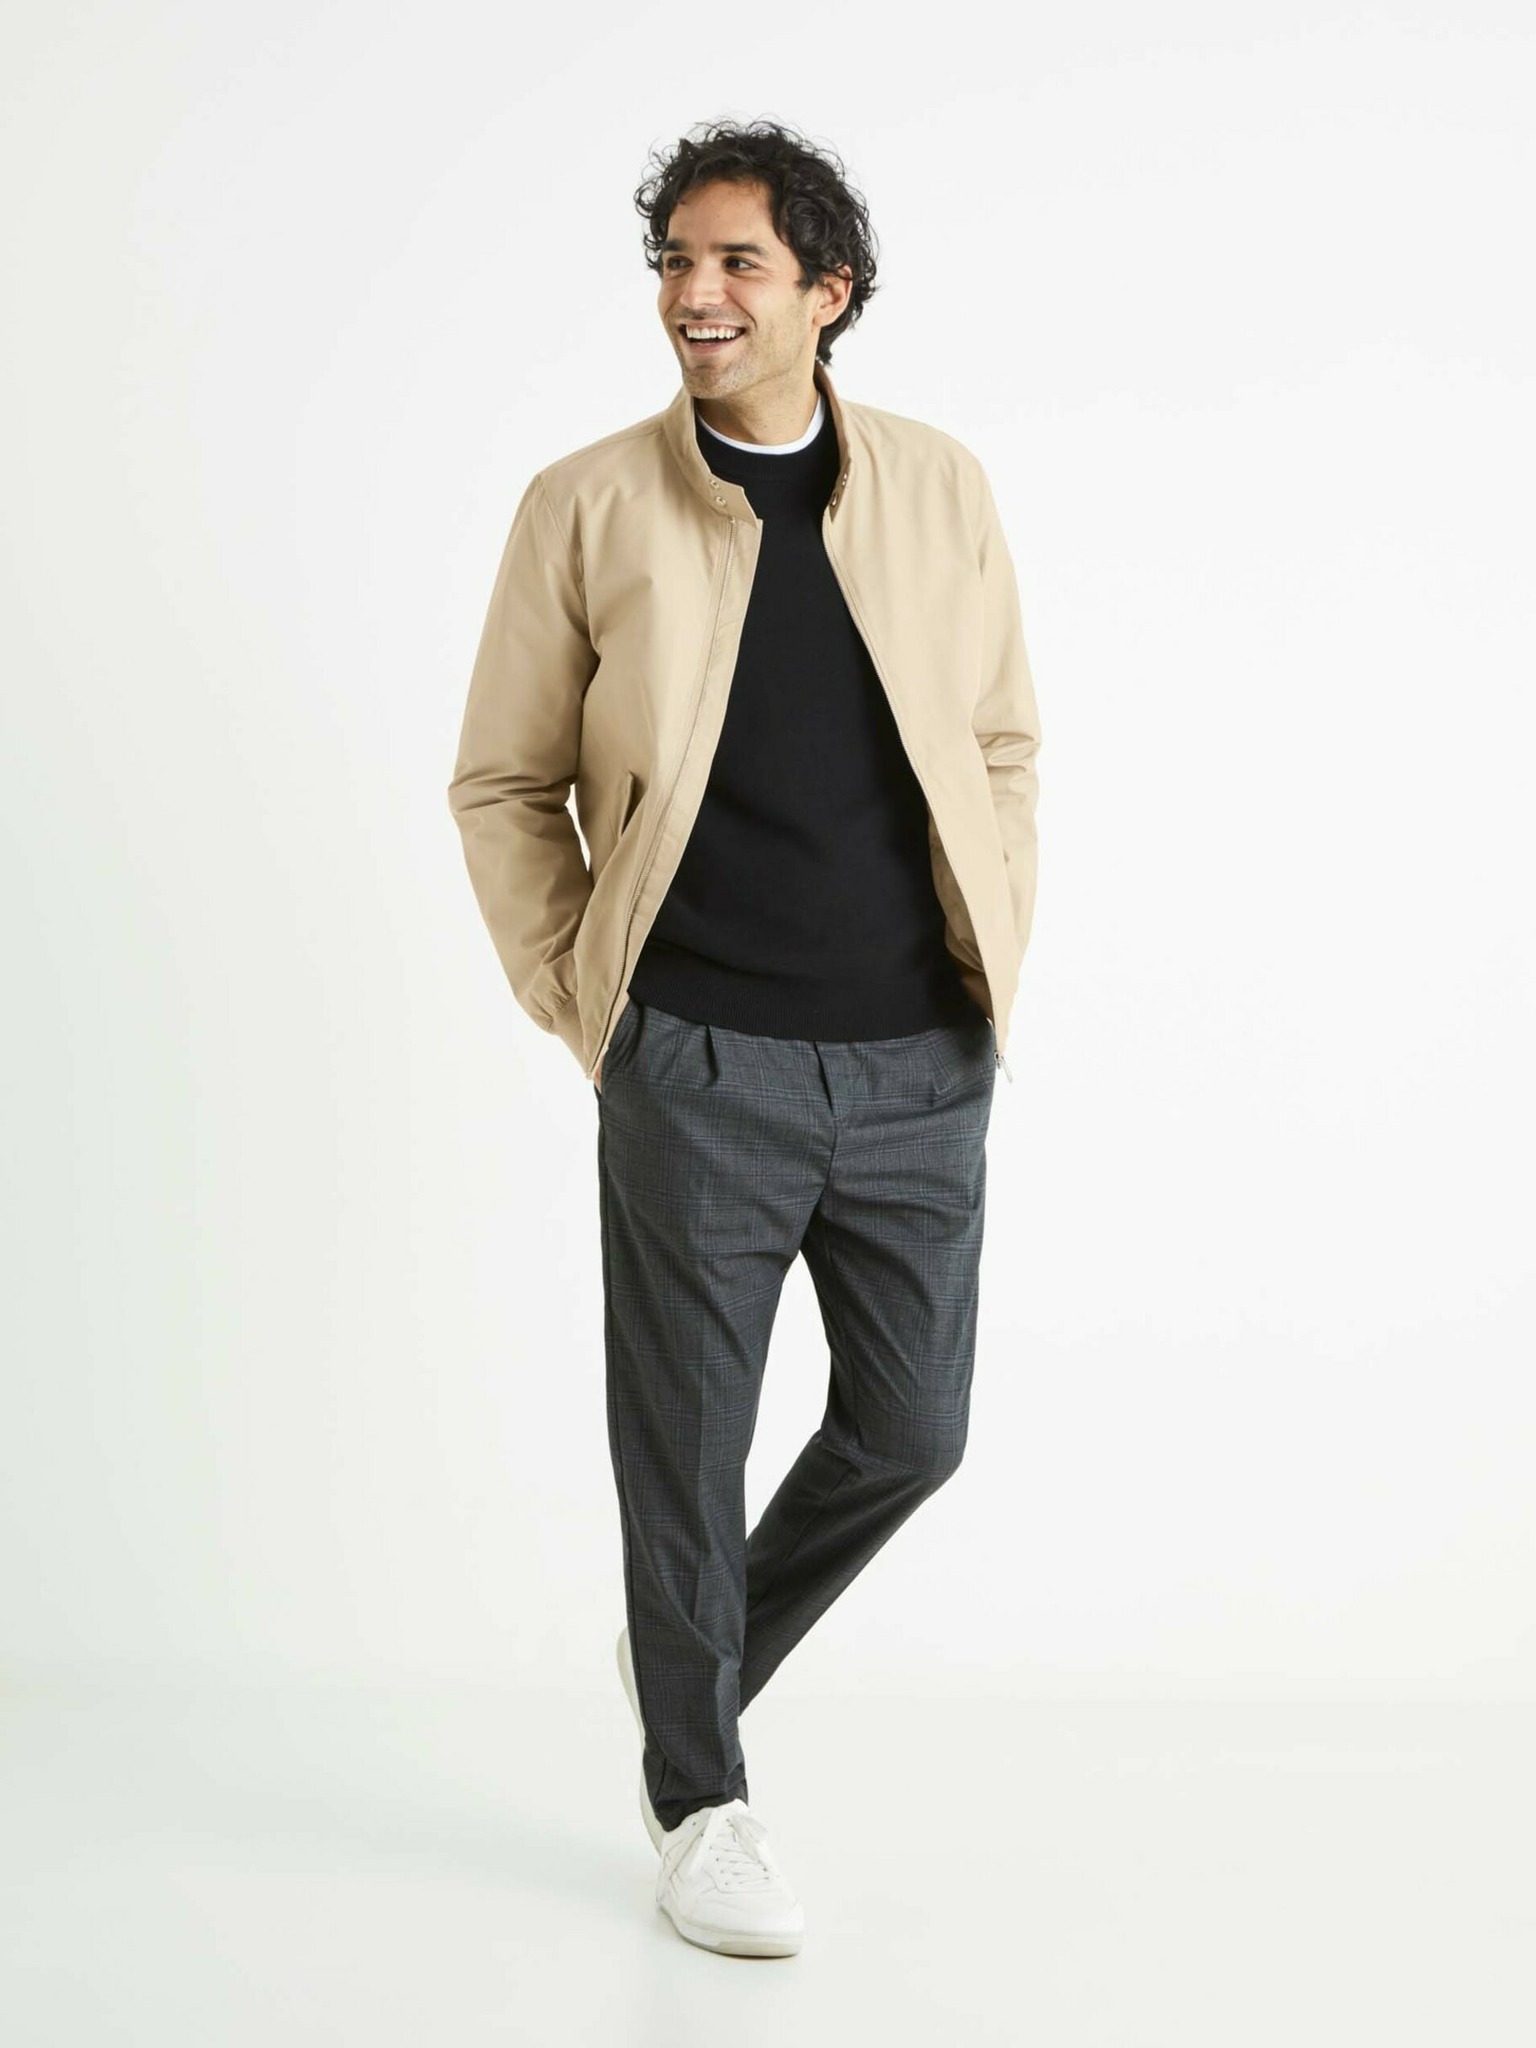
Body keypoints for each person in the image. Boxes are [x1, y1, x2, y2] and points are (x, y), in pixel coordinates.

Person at [447, 118, 1042, 1959]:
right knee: (685, 1458)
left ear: (825, 292)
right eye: (674, 264)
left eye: (735, 265)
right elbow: (504, 781)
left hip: (921, 1058)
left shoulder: (938, 486)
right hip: (697, 1057)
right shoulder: (586, 505)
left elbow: (1002, 741)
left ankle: (682, 1651)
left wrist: (994, 951)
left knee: (912, 1430)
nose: (693, 297)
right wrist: (592, 1005)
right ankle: (700, 1796)